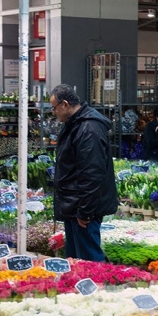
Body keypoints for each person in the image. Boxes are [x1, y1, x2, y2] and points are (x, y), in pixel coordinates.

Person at [50, 84, 118, 261]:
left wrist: (86, 211)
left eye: (54, 108)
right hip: (74, 204)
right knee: (76, 260)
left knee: (89, 260)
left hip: (83, 207)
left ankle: (96, 287)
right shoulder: (75, 124)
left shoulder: (88, 128)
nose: (53, 113)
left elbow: (92, 173)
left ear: (65, 104)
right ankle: (78, 287)